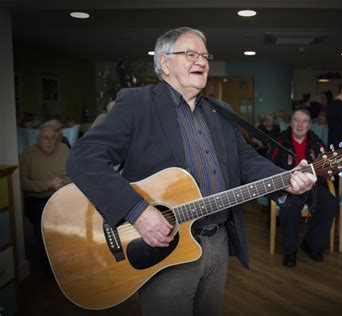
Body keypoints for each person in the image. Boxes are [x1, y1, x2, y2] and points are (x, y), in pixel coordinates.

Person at [66, 27, 316, 315]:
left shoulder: (219, 109)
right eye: (190, 54)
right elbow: (83, 158)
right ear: (164, 62)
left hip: (218, 243)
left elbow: (246, 159)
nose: (202, 61)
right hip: (166, 249)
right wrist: (136, 211)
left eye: (205, 55)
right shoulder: (138, 103)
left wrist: (284, 179)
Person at [270, 108, 338, 267]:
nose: (300, 124)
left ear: (309, 125)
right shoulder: (279, 142)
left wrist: (313, 180)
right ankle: (290, 251)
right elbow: (270, 167)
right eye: (296, 120)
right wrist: (288, 181)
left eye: (304, 121)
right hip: (288, 186)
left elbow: (325, 168)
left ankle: (312, 244)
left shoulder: (318, 143)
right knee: (289, 206)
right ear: (290, 122)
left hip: (313, 186)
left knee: (329, 204)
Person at [20, 123, 70, 269]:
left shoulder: (64, 149)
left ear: (58, 139)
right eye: (45, 138)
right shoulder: (28, 153)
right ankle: (51, 267)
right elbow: (23, 183)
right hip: (37, 198)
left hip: (61, 195)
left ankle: (71, 257)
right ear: (38, 140)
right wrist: (47, 184)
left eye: (53, 138)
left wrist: (64, 180)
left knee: (72, 222)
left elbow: (74, 174)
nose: (49, 141)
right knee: (44, 228)